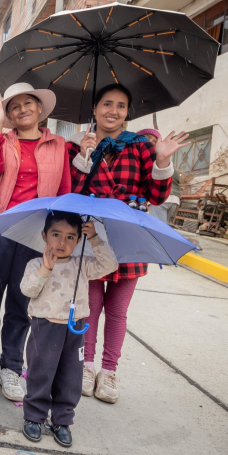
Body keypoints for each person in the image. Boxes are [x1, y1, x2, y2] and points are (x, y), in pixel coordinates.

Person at [68, 84, 188, 403]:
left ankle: (109, 371)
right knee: (91, 307)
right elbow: (71, 192)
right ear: (95, 109)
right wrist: (83, 158)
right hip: (91, 235)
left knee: (118, 311)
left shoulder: (141, 147)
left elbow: (156, 196)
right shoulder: (79, 145)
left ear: (127, 113)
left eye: (121, 106)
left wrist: (162, 161)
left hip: (129, 236)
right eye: (107, 104)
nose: (113, 111)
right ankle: (86, 366)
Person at [0, 83, 71, 402]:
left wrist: (60, 238)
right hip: (0, 227)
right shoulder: (5, 139)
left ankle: (11, 366)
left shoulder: (58, 145)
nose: (22, 109)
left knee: (21, 300)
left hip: (36, 233)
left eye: (28, 103)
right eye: (15, 106)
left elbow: (65, 190)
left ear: (40, 109)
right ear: (10, 115)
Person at [19, 212, 118, 447]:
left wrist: (94, 239)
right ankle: (34, 417)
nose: (62, 242)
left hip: (75, 328)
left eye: (70, 237)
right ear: (44, 235)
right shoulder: (36, 264)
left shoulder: (82, 264)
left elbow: (109, 265)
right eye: (56, 235)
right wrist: (45, 269)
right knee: (41, 373)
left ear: (79, 240)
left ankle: (62, 420)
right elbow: (27, 289)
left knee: (70, 376)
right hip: (45, 326)